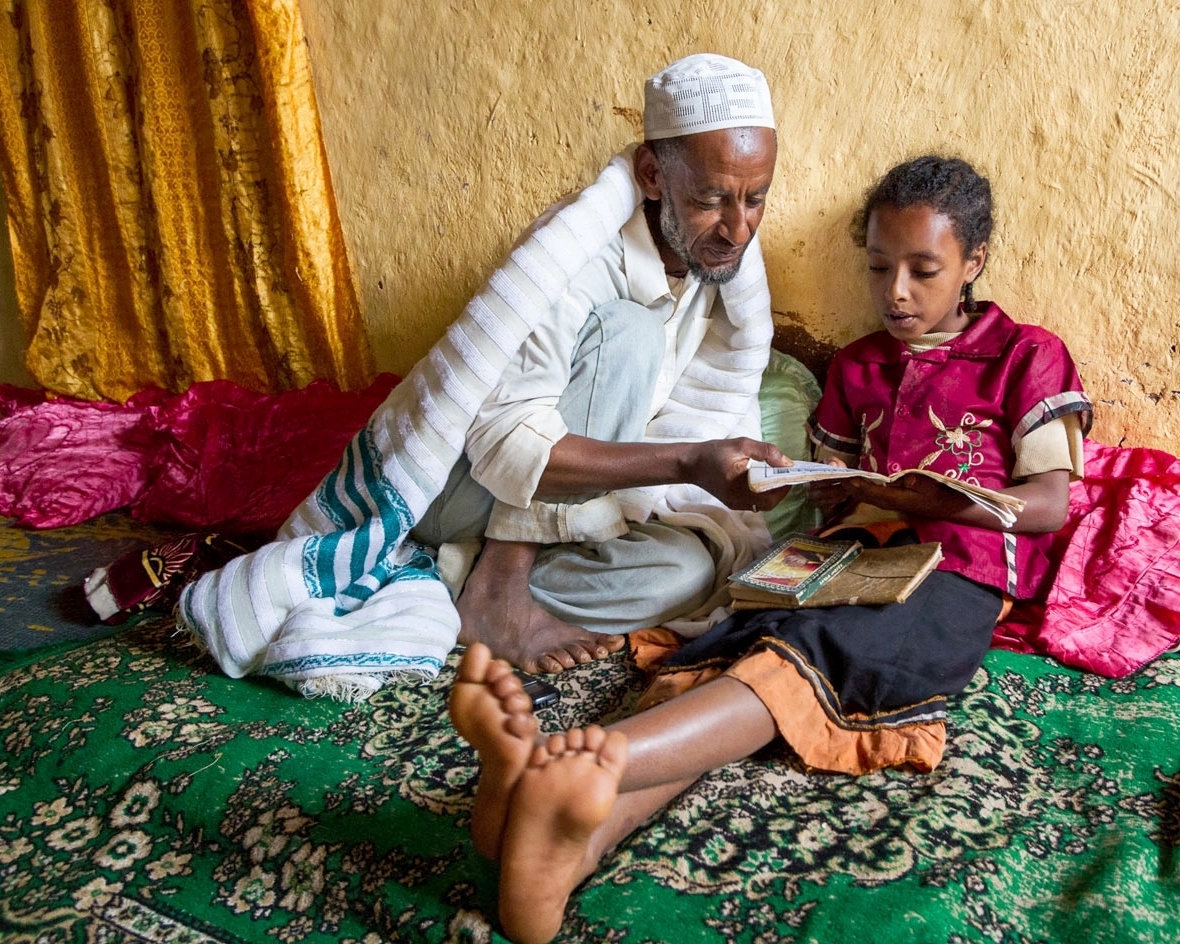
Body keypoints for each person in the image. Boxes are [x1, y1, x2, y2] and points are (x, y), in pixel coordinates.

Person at [448, 155, 1094, 943]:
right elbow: (827, 490)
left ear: (973, 264)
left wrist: (946, 501)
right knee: (737, 646)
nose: (896, 292)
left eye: (924, 271)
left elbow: (1050, 505)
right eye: (880, 267)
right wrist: (806, 484)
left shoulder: (1026, 356)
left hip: (951, 577)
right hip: (845, 555)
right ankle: (557, 848)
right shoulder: (858, 366)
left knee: (815, 653)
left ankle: (581, 764)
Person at [177, 54, 791, 697]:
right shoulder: (578, 258)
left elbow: (686, 423)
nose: (738, 227)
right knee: (630, 337)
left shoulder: (711, 267)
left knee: (689, 569)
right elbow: (507, 444)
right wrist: (689, 461)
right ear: (652, 176)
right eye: (711, 199)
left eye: (756, 199)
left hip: (567, 502)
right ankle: (499, 583)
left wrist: (709, 471)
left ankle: (452, 583)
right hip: (456, 482)